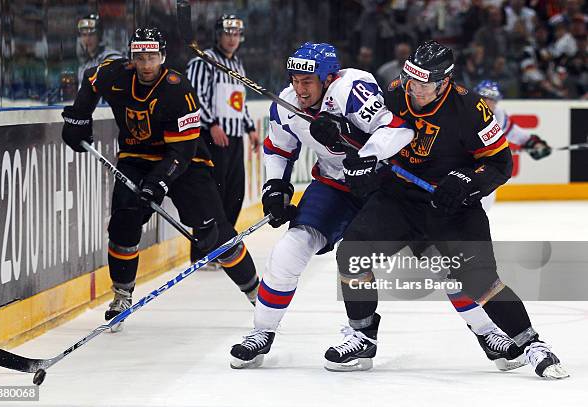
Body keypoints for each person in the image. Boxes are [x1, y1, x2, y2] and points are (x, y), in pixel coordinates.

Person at [325, 40, 568, 379]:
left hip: (452, 208)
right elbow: (367, 135)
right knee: (352, 254)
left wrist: (468, 181)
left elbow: (499, 163)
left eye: (424, 84)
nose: (415, 90)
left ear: (445, 82)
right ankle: (362, 336)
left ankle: (530, 344)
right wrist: (346, 144)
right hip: (400, 199)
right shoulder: (396, 92)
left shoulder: (471, 108)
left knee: (480, 280)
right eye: (411, 80)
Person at [228, 41, 416, 369]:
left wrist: (362, 150)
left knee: (437, 258)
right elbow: (280, 148)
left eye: (307, 81)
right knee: (288, 250)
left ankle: (494, 331)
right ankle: (262, 332)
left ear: (328, 79)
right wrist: (275, 187)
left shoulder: (350, 90)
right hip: (334, 186)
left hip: (383, 186)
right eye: (294, 80)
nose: (299, 89)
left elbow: (399, 131)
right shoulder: (287, 103)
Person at [61, 27, 260, 332]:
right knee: (123, 223)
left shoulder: (177, 88)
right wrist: (78, 117)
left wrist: (159, 182)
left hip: (185, 161)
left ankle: (256, 293)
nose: (146, 63)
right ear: (132, 57)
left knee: (215, 232)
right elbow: (90, 78)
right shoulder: (115, 74)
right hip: (137, 159)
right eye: (140, 56)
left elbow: (184, 148)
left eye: (152, 56)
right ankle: (122, 294)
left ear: (163, 56)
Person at [186, 15, 259, 269]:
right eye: (227, 33)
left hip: (234, 137)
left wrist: (250, 127)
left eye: (236, 34)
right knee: (210, 196)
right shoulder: (203, 60)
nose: (232, 38)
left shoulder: (237, 65)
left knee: (234, 193)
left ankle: (221, 248)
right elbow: (193, 96)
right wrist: (211, 124)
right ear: (218, 34)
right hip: (211, 137)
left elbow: (238, 101)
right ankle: (202, 252)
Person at [474, 80, 552, 211]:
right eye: (484, 98)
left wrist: (534, 144)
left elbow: (517, 134)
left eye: (492, 100)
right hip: (458, 168)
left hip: (482, 173)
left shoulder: (498, 116)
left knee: (483, 206)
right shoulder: (464, 113)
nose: (488, 103)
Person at [76, 13, 122, 87]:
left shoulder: (112, 58)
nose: (87, 39)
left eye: (91, 34)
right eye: (84, 35)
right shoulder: (84, 66)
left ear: (99, 36)